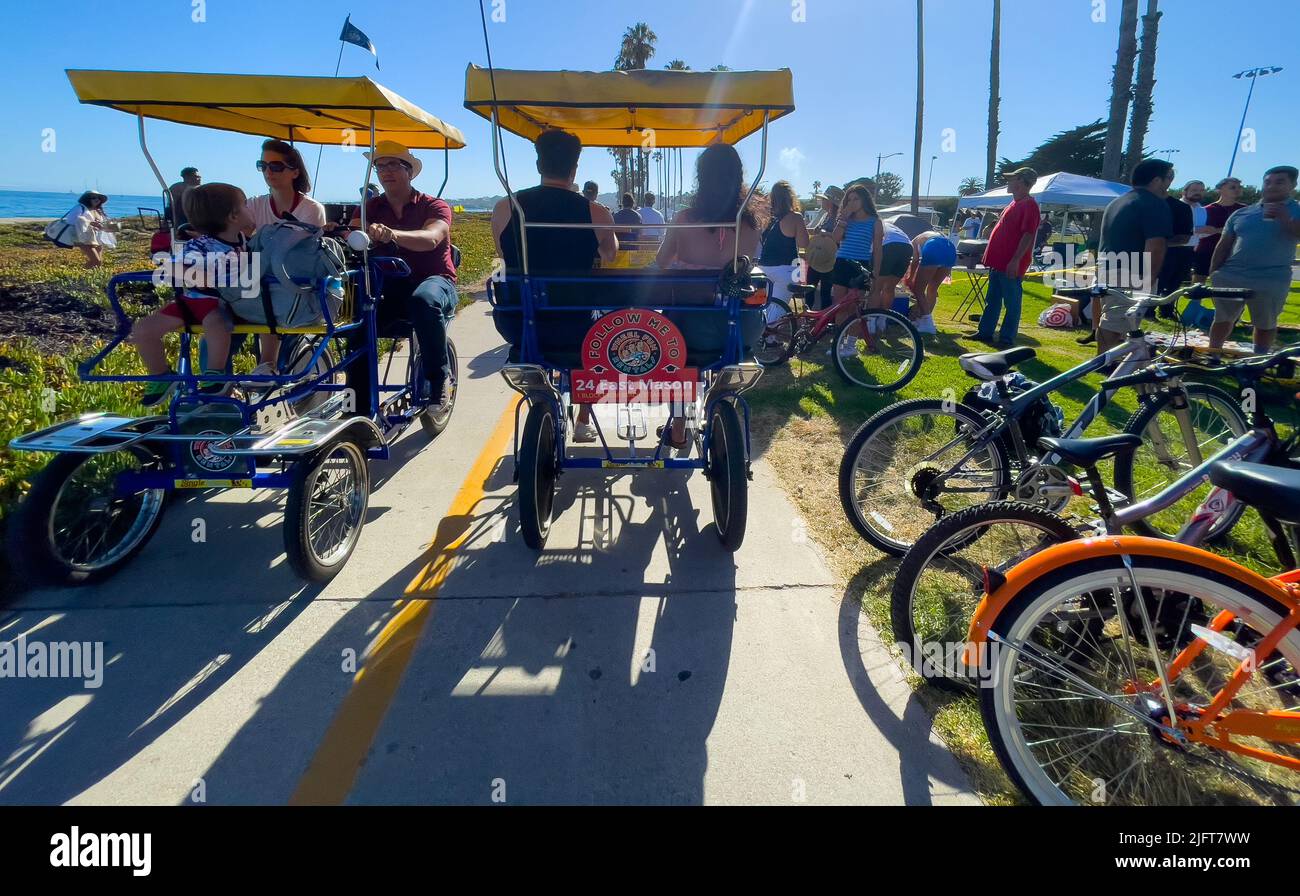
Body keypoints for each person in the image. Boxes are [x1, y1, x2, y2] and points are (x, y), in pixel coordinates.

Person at [493, 129, 618, 443]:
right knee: (596, 337)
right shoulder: (596, 212)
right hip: (574, 322)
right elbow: (610, 254)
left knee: (538, 336)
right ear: (574, 169)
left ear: (539, 165)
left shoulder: (506, 208)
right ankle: (583, 419)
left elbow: (503, 254)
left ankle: (539, 396)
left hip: (518, 319)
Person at [349, 140, 459, 412]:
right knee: (355, 317)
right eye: (380, 165)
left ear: (409, 171)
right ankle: (358, 402)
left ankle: (438, 381)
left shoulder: (434, 205)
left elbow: (431, 238)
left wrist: (392, 234)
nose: (386, 171)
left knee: (423, 301)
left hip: (433, 280)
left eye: (393, 164)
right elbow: (350, 236)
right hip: (388, 286)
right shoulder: (368, 207)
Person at [131, 183, 262, 406]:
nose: (251, 209)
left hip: (222, 304)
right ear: (233, 216)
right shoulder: (201, 244)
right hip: (192, 303)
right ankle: (161, 375)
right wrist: (201, 276)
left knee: (216, 325)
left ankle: (214, 373)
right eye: (246, 205)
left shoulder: (245, 243)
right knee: (143, 329)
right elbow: (172, 267)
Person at [1207, 165, 1300, 354]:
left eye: (1279, 182)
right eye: (1268, 182)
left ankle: (1258, 360)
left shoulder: (1296, 210)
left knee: (1265, 323)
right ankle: (1213, 354)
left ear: (1293, 185)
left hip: (1271, 277)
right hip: (1231, 274)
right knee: (1223, 318)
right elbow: (1224, 244)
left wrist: (1285, 219)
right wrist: (1214, 271)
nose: (1272, 186)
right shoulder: (1242, 213)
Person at [1088, 158, 1175, 350]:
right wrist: (1149, 279)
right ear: (1156, 180)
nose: (1170, 184)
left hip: (1109, 266)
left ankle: (1107, 361)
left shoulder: (1117, 202)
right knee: (1115, 322)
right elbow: (1156, 244)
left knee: (1114, 319)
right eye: (1169, 178)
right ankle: (1106, 365)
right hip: (1131, 270)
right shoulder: (1153, 203)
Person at [655, 144, 760, 269]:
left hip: (690, 288)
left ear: (701, 179)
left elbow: (662, 262)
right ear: (738, 178)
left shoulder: (683, 220)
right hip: (734, 288)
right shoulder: (753, 226)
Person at [974, 167, 1040, 348]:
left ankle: (1006, 338)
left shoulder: (1029, 205)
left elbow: (1028, 235)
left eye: (1012, 179)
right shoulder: (1013, 204)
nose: (1008, 183)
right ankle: (985, 332)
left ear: (1021, 182)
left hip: (1010, 264)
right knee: (992, 300)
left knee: (1011, 303)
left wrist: (1016, 260)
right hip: (998, 263)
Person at [824, 183, 883, 359]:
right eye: (849, 199)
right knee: (840, 307)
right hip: (841, 263)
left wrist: (876, 274)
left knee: (856, 309)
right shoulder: (845, 218)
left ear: (865, 200)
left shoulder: (875, 221)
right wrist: (844, 218)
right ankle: (839, 343)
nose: (852, 202)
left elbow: (878, 250)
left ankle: (851, 345)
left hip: (861, 265)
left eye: (856, 198)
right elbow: (835, 239)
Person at [756, 180, 809, 321]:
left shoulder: (767, 219)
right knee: (778, 309)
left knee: (766, 306)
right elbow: (804, 243)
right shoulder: (795, 217)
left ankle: (768, 339)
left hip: (763, 268)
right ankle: (769, 337)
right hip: (786, 269)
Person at [247, 139, 327, 231]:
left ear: (295, 173)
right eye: (263, 165)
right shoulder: (254, 205)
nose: (268, 171)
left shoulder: (311, 209)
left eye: (276, 166)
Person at [1193, 176, 1245, 284]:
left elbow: (1243, 230)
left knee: (1227, 283)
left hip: (1232, 251)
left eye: (1239, 187)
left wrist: (1217, 230)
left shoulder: (1244, 210)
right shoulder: (1204, 210)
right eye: (1232, 187)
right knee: (1198, 284)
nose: (1237, 189)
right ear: (1220, 189)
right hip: (1206, 250)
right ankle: (1195, 301)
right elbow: (1196, 230)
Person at [1155, 180, 1199, 307]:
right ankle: (1149, 310)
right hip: (1167, 249)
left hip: (1188, 249)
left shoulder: (1200, 209)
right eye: (1194, 190)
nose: (1198, 193)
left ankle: (1167, 310)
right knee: (1160, 279)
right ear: (1184, 191)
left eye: (1201, 190)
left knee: (1176, 282)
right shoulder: (1175, 205)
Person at [904, 229, 956, 334]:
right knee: (932, 289)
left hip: (934, 247)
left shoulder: (913, 243)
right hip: (950, 248)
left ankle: (927, 323)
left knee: (918, 290)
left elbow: (914, 261)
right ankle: (926, 320)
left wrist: (910, 278)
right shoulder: (928, 235)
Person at [58, 191, 121, 268]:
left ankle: (88, 275)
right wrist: (90, 223)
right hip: (84, 238)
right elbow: (71, 220)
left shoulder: (98, 210)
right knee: (96, 261)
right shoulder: (80, 207)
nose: (97, 199)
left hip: (97, 238)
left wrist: (103, 225)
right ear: (87, 199)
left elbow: (101, 224)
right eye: (93, 198)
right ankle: (80, 275)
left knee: (98, 262)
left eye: (99, 198)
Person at [804, 185, 842, 311]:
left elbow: (841, 237)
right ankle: (809, 316)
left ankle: (825, 321)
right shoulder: (826, 216)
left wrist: (826, 234)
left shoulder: (838, 218)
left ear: (831, 202)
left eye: (824, 199)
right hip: (818, 257)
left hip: (829, 259)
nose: (822, 202)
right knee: (810, 288)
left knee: (824, 290)